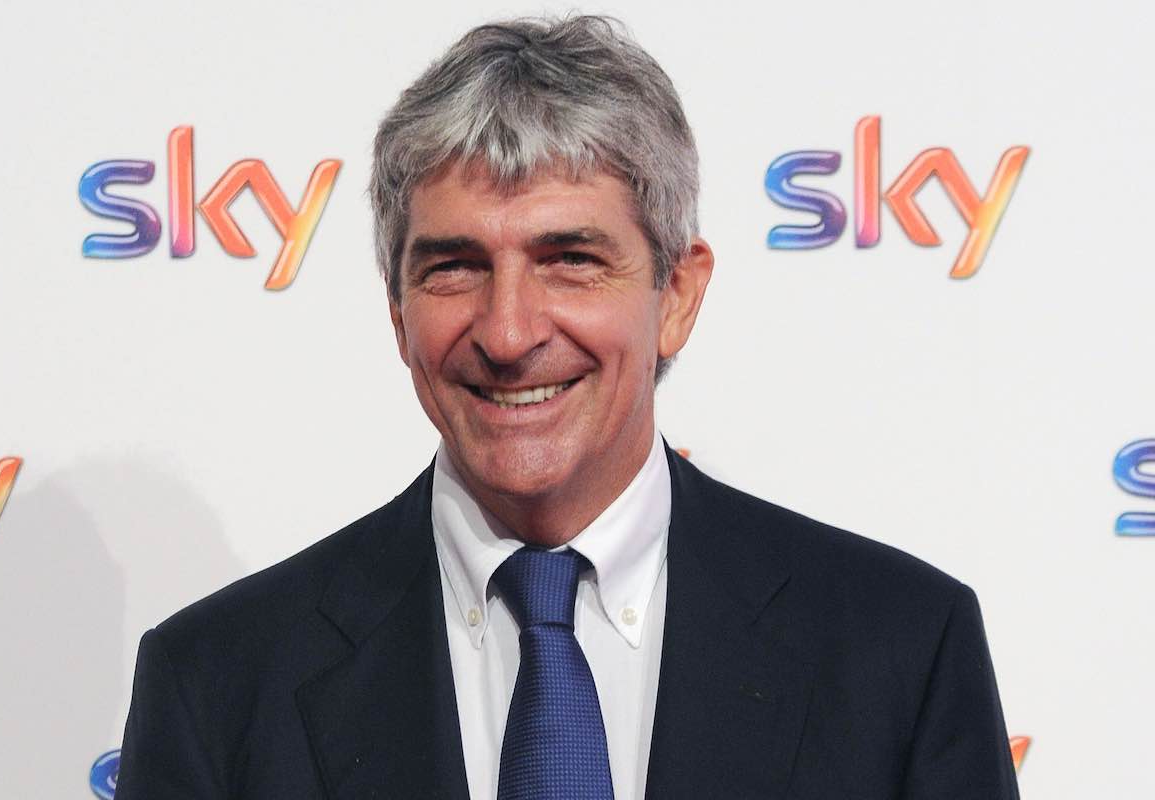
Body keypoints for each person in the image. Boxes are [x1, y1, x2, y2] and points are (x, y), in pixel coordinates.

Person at [114, 15, 1020, 800]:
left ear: (677, 295)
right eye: (454, 267)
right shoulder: (217, 685)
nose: (508, 332)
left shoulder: (899, 650)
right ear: (397, 313)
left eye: (571, 261)